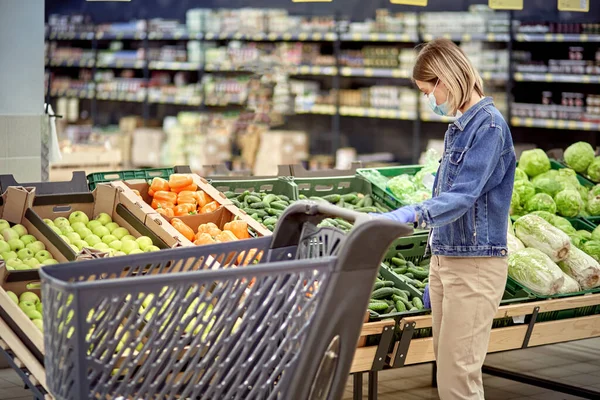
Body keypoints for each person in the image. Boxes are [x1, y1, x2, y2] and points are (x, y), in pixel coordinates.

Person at [380, 38, 516, 399]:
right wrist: (437, 262)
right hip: (451, 260)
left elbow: (462, 196)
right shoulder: (459, 127)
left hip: (474, 265)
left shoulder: (488, 127)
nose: (430, 101)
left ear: (446, 80)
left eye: (428, 91)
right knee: (450, 369)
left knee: (459, 377)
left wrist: (414, 213)